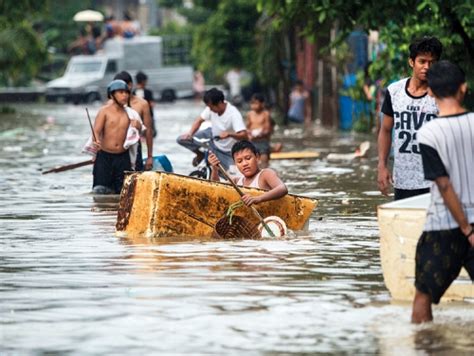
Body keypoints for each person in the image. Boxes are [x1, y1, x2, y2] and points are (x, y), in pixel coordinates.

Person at [411, 60, 474, 323]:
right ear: (464, 89)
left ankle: (425, 348)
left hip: (442, 226)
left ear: (431, 92)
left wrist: (465, 229)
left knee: (423, 296)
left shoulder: (427, 133)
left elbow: (443, 184)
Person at [377, 36, 443, 200]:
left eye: (432, 62)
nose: (427, 67)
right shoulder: (394, 92)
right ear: (411, 62)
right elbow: (385, 130)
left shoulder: (442, 93)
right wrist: (382, 166)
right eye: (422, 61)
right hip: (403, 180)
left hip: (435, 181)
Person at [177, 88, 248, 171]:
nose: (210, 109)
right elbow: (199, 120)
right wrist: (190, 134)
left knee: (232, 174)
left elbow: (244, 135)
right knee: (182, 139)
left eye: (211, 107)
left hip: (228, 150)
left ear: (220, 103)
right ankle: (200, 154)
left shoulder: (233, 114)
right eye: (208, 107)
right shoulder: (210, 109)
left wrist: (229, 134)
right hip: (212, 136)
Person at [91, 80, 142, 194]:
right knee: (100, 191)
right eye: (120, 92)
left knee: (123, 192)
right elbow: (96, 131)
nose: (125, 95)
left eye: (126, 92)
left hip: (123, 158)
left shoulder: (131, 114)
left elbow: (140, 132)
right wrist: (96, 141)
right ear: (112, 94)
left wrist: (138, 126)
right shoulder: (104, 111)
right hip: (105, 157)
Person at [208, 140, 288, 206]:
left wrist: (258, 198)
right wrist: (215, 170)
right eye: (239, 161)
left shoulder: (265, 174)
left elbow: (282, 188)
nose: (244, 163)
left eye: (248, 158)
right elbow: (216, 190)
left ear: (257, 157)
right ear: (235, 164)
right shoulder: (236, 182)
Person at [113, 71, 153, 171]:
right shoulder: (110, 104)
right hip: (115, 148)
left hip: (135, 146)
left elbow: (148, 131)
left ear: (130, 85)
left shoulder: (142, 104)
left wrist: (149, 157)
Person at [246, 93, 272, 168]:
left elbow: (268, 129)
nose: (254, 105)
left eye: (256, 103)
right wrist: (250, 133)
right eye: (252, 103)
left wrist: (260, 133)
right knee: (252, 164)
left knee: (264, 165)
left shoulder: (265, 114)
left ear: (262, 104)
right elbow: (247, 128)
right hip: (252, 142)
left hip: (263, 142)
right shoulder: (250, 114)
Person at [134, 71, 156, 138]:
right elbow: (152, 104)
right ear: (144, 81)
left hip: (137, 119)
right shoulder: (148, 92)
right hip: (148, 118)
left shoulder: (133, 93)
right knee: (148, 136)